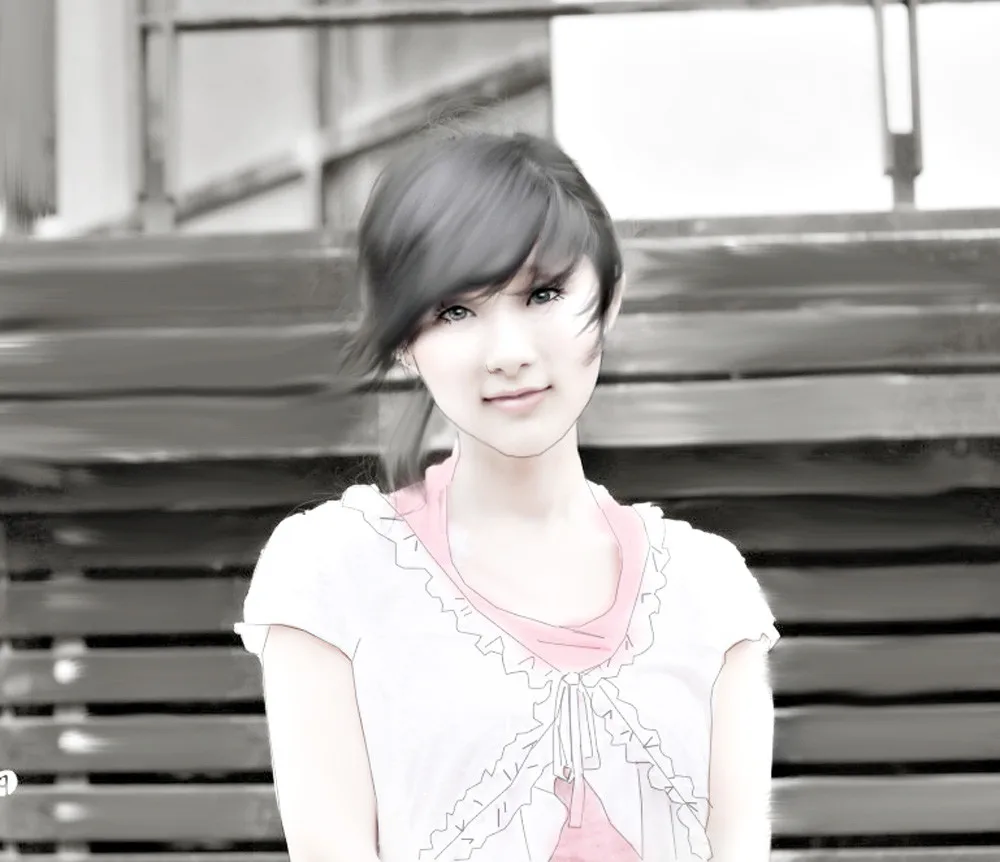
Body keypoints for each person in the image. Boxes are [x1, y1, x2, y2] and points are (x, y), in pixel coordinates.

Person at [235, 131, 780, 862]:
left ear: (609, 297)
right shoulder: (333, 572)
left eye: (543, 294)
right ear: (405, 342)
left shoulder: (707, 589)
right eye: (454, 311)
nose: (509, 353)